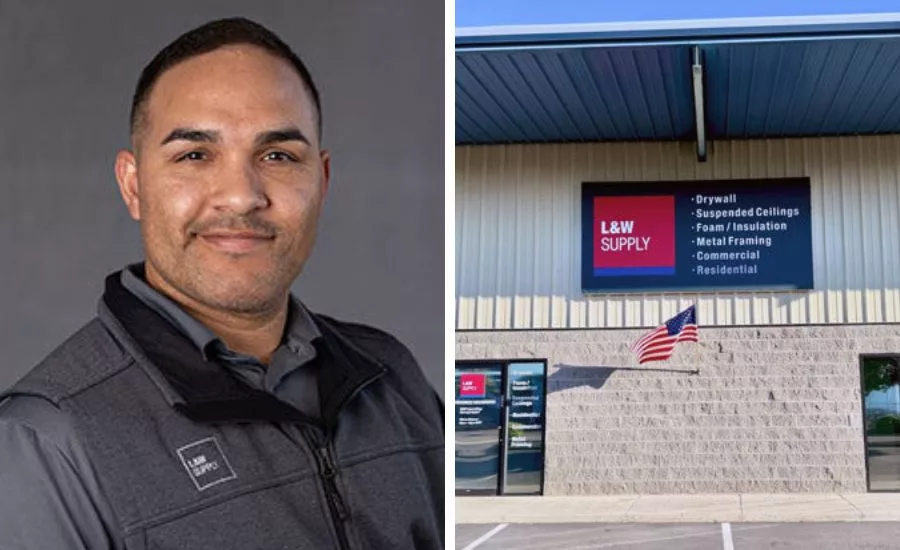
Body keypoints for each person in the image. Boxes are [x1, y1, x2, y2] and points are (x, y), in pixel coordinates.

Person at [0, 17, 444, 550]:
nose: (240, 195)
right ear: (133, 186)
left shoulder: (392, 379)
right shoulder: (50, 442)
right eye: (194, 155)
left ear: (322, 182)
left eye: (278, 156)